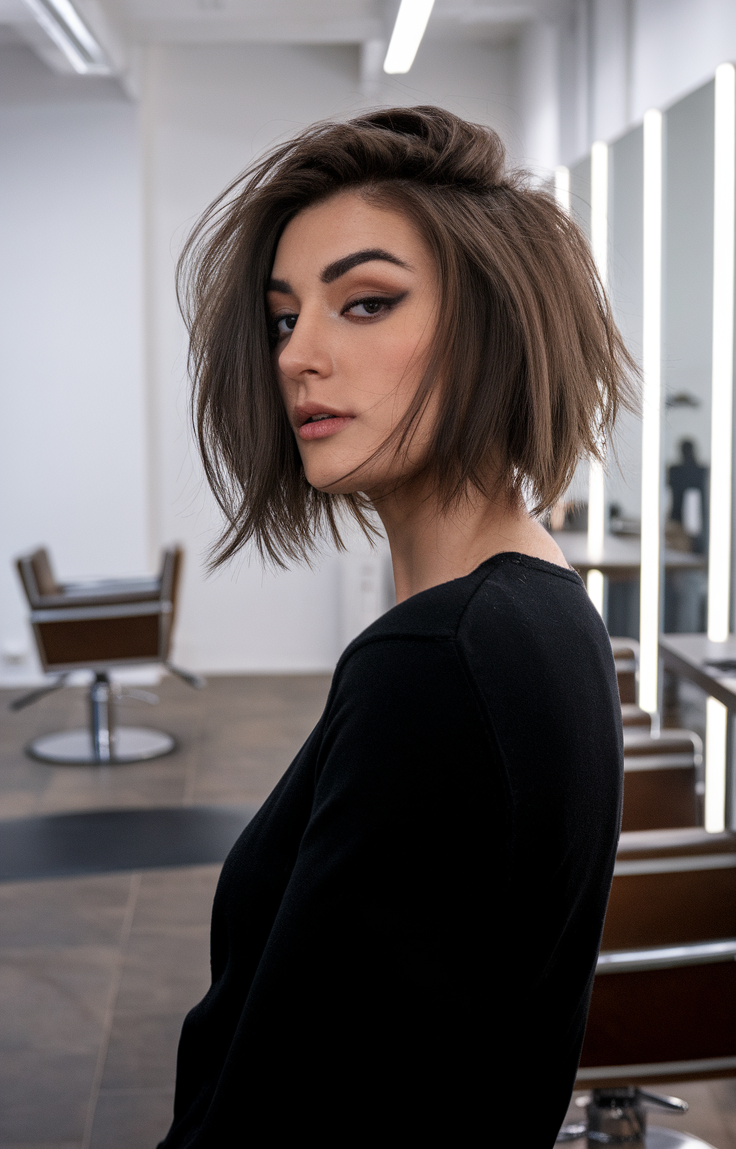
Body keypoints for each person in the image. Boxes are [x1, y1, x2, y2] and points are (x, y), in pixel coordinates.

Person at [159, 106, 633, 1147]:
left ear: (493, 328)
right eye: (284, 317)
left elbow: (297, 1106)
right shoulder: (544, 607)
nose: (297, 356)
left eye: (364, 303)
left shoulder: (438, 663)